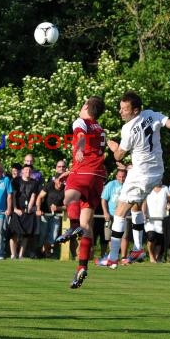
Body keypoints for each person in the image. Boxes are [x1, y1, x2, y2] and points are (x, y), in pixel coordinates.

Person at [105, 91, 170, 268]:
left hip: (140, 174)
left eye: (125, 109)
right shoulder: (151, 114)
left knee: (119, 212)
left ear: (135, 111)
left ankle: (112, 257)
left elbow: (119, 156)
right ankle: (139, 248)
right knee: (135, 205)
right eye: (120, 108)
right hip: (157, 172)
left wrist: (113, 146)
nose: (121, 112)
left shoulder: (128, 129)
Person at [54, 96, 107, 288]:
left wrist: (79, 149)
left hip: (83, 170)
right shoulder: (100, 129)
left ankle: (73, 225)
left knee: (69, 197)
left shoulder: (81, 121)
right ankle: (81, 267)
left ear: (86, 107)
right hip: (98, 177)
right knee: (87, 225)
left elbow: (82, 137)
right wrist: (70, 170)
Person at [8, 164, 39, 259]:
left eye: (30, 170)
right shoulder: (16, 181)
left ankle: (21, 255)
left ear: (32, 172)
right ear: (22, 171)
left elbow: (33, 196)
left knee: (26, 234)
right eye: (26, 170)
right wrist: (15, 208)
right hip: (16, 210)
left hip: (28, 212)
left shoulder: (34, 182)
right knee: (14, 233)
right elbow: (13, 195)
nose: (28, 172)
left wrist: (29, 208)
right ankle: (13, 254)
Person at [98, 169, 128, 261]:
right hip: (111, 214)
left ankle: (123, 258)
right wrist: (105, 212)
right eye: (120, 177)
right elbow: (103, 199)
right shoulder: (111, 184)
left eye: (123, 177)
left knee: (124, 236)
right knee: (110, 236)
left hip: (124, 215)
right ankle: (113, 256)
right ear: (116, 176)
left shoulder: (129, 185)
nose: (122, 179)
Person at [35, 173, 65, 259]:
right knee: (43, 234)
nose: (61, 182)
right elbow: (39, 197)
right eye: (59, 180)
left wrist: (58, 208)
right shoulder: (49, 185)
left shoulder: (66, 189)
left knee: (54, 235)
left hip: (56, 214)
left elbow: (68, 205)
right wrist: (38, 209)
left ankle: (44, 251)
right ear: (55, 180)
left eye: (63, 181)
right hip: (45, 213)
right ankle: (40, 252)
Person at [142, 183, 170, 263]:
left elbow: (169, 201)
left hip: (162, 219)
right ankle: (151, 256)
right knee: (151, 237)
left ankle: (157, 259)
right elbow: (144, 202)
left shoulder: (165, 188)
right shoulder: (148, 187)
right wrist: (144, 213)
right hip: (150, 220)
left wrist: (169, 205)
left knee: (159, 240)